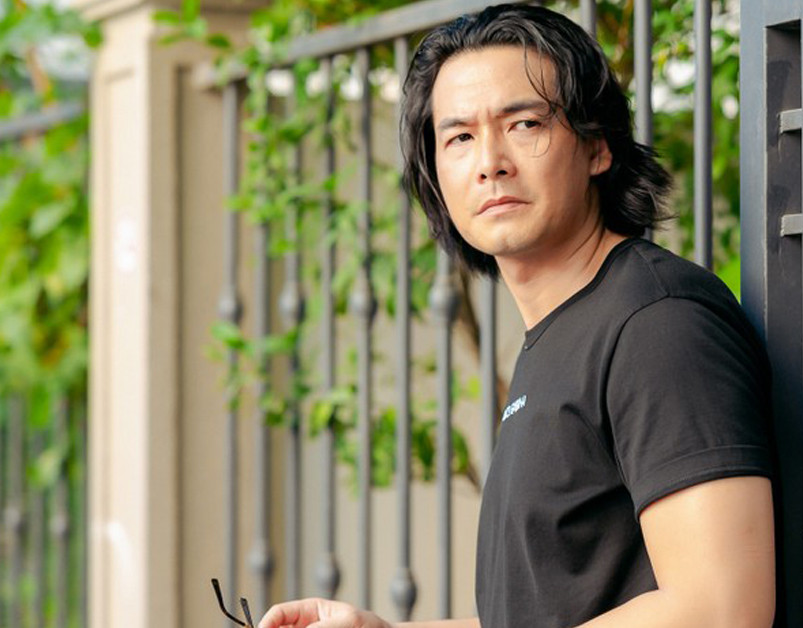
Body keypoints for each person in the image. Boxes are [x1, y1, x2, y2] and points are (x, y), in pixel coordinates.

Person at [258, 4, 776, 627]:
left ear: (597, 147)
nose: (490, 162)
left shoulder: (655, 323)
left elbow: (721, 608)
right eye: (459, 137)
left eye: (525, 124)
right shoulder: (562, 332)